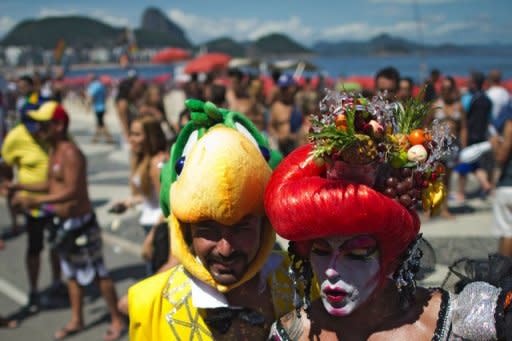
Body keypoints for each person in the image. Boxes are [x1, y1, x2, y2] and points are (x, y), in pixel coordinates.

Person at [265, 92, 512, 340]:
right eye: (320, 251)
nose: (331, 271)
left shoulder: (462, 321)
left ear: (392, 257)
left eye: (356, 254)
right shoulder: (291, 334)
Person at [128, 99, 295, 340]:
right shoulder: (148, 304)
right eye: (208, 229)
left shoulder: (304, 284)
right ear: (186, 228)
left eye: (241, 227)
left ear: (264, 224)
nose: (225, 249)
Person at [12, 101, 125, 340]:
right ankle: (77, 318)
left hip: (81, 224)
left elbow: (72, 191)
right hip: (63, 224)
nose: (40, 128)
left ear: (59, 125)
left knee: (98, 273)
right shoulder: (54, 150)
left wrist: (37, 201)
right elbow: (51, 184)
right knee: (71, 274)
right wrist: (21, 186)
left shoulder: (70, 152)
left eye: (45, 124)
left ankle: (116, 318)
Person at [1, 99, 63, 313]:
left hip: (57, 201)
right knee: (35, 247)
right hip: (33, 203)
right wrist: (9, 189)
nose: (38, 129)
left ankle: (57, 282)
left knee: (58, 245)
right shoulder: (15, 137)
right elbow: (6, 165)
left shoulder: (52, 132)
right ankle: (34, 290)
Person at [114, 115, 168, 273]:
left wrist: (151, 238)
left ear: (150, 136)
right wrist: (128, 202)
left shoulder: (158, 163)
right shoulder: (143, 158)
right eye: (131, 133)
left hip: (160, 228)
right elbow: (147, 196)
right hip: (151, 225)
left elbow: (167, 206)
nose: (131, 139)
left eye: (137, 134)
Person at [426, 76, 468, 214]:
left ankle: (444, 208)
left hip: (451, 146)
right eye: (444, 88)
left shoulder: (459, 107)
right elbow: (426, 124)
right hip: (437, 146)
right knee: (432, 177)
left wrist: (463, 144)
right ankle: (431, 208)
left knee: (447, 178)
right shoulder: (435, 105)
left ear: (454, 89)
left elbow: (463, 127)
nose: (446, 91)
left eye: (449, 88)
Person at [456, 71, 493, 201]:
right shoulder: (487, 99)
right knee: (476, 164)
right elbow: (489, 119)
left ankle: (461, 193)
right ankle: (486, 185)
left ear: (473, 83)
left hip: (471, 136)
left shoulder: (469, 98)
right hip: (482, 136)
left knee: (463, 165)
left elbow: (464, 117)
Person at [491, 100, 512, 257]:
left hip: (508, 184)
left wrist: (495, 144)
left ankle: (504, 276)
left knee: (507, 231)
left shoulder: (510, 126)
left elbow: (501, 157)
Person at [269, 74, 303, 155]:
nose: (283, 92)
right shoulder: (276, 106)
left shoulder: (299, 106)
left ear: (292, 89)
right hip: (281, 147)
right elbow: (270, 126)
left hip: (296, 145)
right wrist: (277, 136)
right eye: (281, 89)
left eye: (285, 89)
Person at [86, 74, 113, 143]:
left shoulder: (94, 86)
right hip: (102, 106)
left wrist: (88, 106)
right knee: (100, 123)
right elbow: (105, 96)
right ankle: (96, 138)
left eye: (89, 78)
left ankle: (108, 138)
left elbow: (91, 97)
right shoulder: (101, 85)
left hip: (98, 107)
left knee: (101, 123)